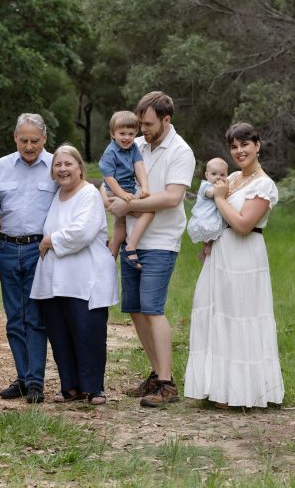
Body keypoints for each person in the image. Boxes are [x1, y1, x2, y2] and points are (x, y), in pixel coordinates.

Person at [184, 123, 284, 409]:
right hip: (220, 253)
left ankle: (242, 391)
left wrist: (218, 197)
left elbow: (242, 224)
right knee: (217, 313)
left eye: (245, 145)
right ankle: (218, 387)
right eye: (234, 146)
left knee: (240, 315)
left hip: (244, 254)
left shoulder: (264, 185)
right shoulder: (234, 177)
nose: (239, 151)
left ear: (258, 145)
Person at [106, 91, 196, 408]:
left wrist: (129, 206)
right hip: (133, 236)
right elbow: (115, 178)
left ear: (166, 120)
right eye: (140, 123)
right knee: (134, 308)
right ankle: (157, 375)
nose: (142, 129)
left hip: (160, 241)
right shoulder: (136, 146)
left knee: (153, 308)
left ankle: (168, 384)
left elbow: (172, 198)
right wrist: (113, 201)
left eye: (147, 123)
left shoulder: (181, 152)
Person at [31, 144, 118, 405]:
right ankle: (70, 386)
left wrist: (49, 242)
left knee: (87, 331)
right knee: (60, 333)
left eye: (68, 164)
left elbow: (82, 232)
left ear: (80, 168)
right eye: (58, 165)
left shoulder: (88, 194)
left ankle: (93, 388)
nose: (63, 169)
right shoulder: (57, 196)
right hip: (55, 279)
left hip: (84, 277)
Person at [0, 113, 57, 404]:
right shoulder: (0, 167)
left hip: (38, 250)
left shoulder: (57, 165)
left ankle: (36, 382)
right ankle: (22, 376)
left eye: (35, 140)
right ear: (15, 138)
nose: (29, 146)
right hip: (6, 248)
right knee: (15, 317)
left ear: (44, 139)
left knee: (36, 317)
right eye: (23, 140)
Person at [99, 110, 152, 268]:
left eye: (131, 133)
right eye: (122, 133)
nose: (127, 138)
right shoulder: (110, 152)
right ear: (113, 134)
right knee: (148, 212)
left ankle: (107, 265)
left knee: (120, 231)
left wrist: (145, 186)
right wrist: (122, 195)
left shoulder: (133, 147)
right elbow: (109, 178)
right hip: (116, 192)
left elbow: (139, 166)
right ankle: (131, 247)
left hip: (128, 190)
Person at [186, 157, 229, 259]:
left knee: (215, 235)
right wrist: (218, 190)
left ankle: (203, 252)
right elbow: (209, 194)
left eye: (222, 175)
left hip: (214, 215)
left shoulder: (221, 186)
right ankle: (206, 247)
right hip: (204, 217)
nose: (218, 177)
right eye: (214, 174)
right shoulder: (205, 186)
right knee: (207, 232)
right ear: (207, 175)